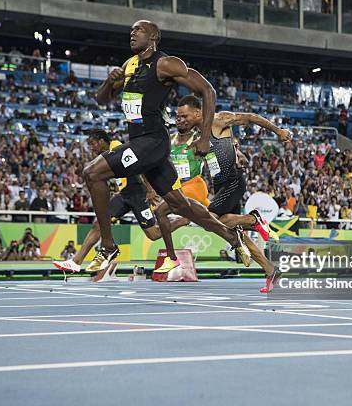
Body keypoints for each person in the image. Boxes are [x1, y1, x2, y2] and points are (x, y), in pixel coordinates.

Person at [88, 20, 250, 270]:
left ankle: (108, 247)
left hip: (153, 142)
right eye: (130, 30)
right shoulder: (129, 65)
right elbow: (101, 99)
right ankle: (232, 237)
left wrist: (205, 137)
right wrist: (110, 82)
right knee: (180, 205)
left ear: (153, 36)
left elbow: (207, 91)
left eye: (138, 30)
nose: (132, 34)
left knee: (93, 172)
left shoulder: (165, 63)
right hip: (141, 144)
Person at [152, 95, 292, 292]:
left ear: (198, 113)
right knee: (233, 232)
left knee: (210, 221)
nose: (181, 120)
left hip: (233, 181)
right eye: (178, 116)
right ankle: (271, 271)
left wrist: (278, 130)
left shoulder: (219, 119)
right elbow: (223, 143)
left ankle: (252, 220)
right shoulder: (198, 134)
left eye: (184, 116)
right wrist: (237, 150)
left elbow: (251, 117)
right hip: (220, 185)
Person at [53, 129, 189, 273]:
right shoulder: (105, 158)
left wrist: (150, 189)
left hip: (138, 194)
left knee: (153, 234)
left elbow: (142, 166)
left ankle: (183, 220)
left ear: (101, 141)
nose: (92, 148)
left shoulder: (117, 146)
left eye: (93, 144)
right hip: (123, 195)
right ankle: (76, 261)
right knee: (98, 224)